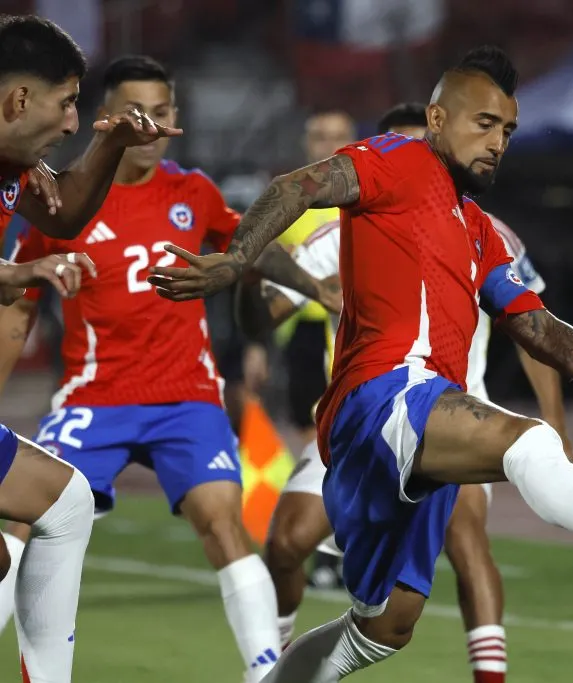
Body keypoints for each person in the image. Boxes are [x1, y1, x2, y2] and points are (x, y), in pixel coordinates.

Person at [149, 46, 573, 681]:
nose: (497, 142)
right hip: (381, 397)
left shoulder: (480, 230)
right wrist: (238, 259)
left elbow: (535, 325)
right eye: (484, 123)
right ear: (437, 119)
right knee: (528, 441)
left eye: (508, 130)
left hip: (415, 428)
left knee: (385, 627)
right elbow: (296, 187)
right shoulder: (397, 160)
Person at [0, 55, 326, 682]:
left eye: (163, 112)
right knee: (23, 517)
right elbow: (16, 308)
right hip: (94, 396)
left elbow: (247, 248)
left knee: (224, 521)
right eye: (137, 112)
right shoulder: (60, 199)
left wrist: (317, 287)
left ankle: (266, 673)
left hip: (186, 397)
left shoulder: (193, 191)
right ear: (105, 118)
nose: (151, 127)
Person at [237, 101, 573, 683]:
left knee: (467, 541)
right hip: (360, 422)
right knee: (288, 541)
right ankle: (272, 666)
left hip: (457, 418)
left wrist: (555, 423)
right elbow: (264, 313)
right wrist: (256, 275)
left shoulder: (488, 232)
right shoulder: (338, 234)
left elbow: (531, 329)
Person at [0, 16, 183, 683]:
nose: (75, 121)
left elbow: (67, 214)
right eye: (68, 102)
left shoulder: (14, 165)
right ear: (20, 100)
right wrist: (18, 272)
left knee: (65, 502)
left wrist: (113, 145)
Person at [276, 110, 357, 448]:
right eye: (321, 138)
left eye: (339, 137)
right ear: (306, 144)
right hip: (303, 331)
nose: (330, 146)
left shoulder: (370, 198)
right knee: (312, 435)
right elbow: (257, 269)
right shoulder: (285, 200)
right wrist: (252, 347)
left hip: (357, 329)